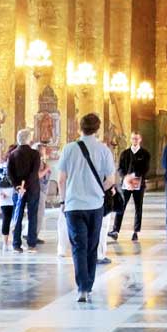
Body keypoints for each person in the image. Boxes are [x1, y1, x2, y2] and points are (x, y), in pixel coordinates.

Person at [56, 113, 117, 303]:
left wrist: (63, 200)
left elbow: (61, 179)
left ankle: (82, 287)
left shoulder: (69, 149)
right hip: (95, 205)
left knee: (78, 246)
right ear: (97, 129)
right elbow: (111, 180)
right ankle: (88, 285)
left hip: (73, 205)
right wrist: (99, 190)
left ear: (79, 128)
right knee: (91, 245)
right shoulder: (103, 150)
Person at [8, 129, 46, 251]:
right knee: (32, 215)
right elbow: (34, 172)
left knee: (17, 215)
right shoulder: (35, 154)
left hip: (19, 190)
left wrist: (18, 186)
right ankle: (31, 243)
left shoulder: (13, 154)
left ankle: (16, 244)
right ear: (29, 139)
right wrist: (26, 185)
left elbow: (10, 173)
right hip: (33, 189)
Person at [110, 132, 150, 242]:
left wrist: (133, 176)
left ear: (140, 139)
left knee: (138, 208)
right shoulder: (125, 153)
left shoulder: (145, 154)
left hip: (139, 184)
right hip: (125, 184)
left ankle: (136, 231)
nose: (134, 140)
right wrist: (125, 177)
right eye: (133, 138)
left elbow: (145, 168)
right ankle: (115, 230)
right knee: (120, 206)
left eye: (136, 139)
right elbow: (120, 168)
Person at [0, 143, 18, 251]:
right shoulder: (2, 166)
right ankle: (5, 242)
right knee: (7, 219)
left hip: (14, 197)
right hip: (5, 198)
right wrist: (0, 193)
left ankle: (15, 241)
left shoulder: (16, 166)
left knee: (16, 220)